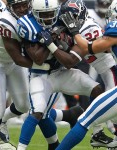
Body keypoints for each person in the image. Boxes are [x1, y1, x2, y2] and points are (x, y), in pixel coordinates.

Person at [15, 0, 106, 149]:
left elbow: (69, 62)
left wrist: (51, 42)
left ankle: (98, 131)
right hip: (41, 75)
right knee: (38, 112)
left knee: (96, 89)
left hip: (63, 71)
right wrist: (53, 39)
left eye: (51, 13)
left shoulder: (76, 26)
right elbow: (38, 59)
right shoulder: (28, 24)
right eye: (44, 14)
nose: (48, 18)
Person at [37, 0, 117, 149]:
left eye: (73, 17)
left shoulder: (89, 27)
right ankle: (98, 133)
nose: (70, 20)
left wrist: (71, 35)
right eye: (67, 17)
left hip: (112, 72)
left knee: (89, 119)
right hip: (106, 72)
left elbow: (88, 49)